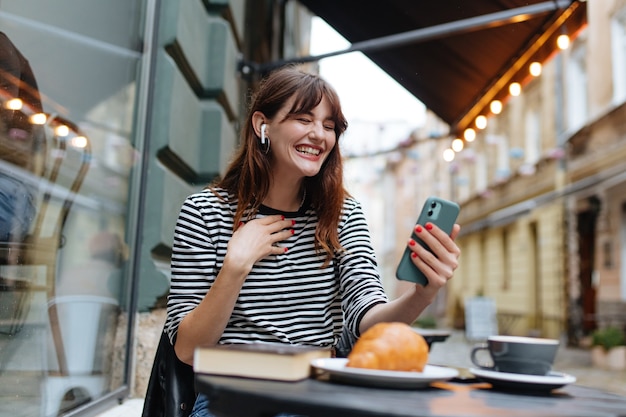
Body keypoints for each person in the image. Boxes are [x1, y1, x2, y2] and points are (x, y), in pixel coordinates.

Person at [163, 65, 461, 417]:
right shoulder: (205, 212)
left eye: (329, 125)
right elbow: (187, 349)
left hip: (316, 397)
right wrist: (235, 266)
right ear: (262, 125)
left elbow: (365, 316)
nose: (319, 134)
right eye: (303, 119)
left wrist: (421, 295)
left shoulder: (342, 214)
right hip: (230, 399)